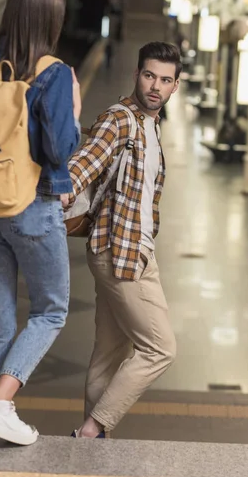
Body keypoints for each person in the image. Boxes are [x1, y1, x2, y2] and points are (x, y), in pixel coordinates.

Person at [0, 0, 81, 445]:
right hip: (31, 206)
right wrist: (73, 109)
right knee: (51, 310)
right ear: (51, 19)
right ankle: (0, 404)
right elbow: (59, 149)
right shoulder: (53, 73)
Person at [67, 41, 180, 438]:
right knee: (160, 348)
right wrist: (60, 190)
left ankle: (89, 445)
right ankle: (94, 429)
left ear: (175, 87)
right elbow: (85, 162)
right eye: (149, 75)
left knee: (109, 355)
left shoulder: (152, 124)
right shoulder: (120, 119)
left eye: (165, 80)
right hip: (122, 252)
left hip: (129, 247)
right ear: (136, 75)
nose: (155, 86)